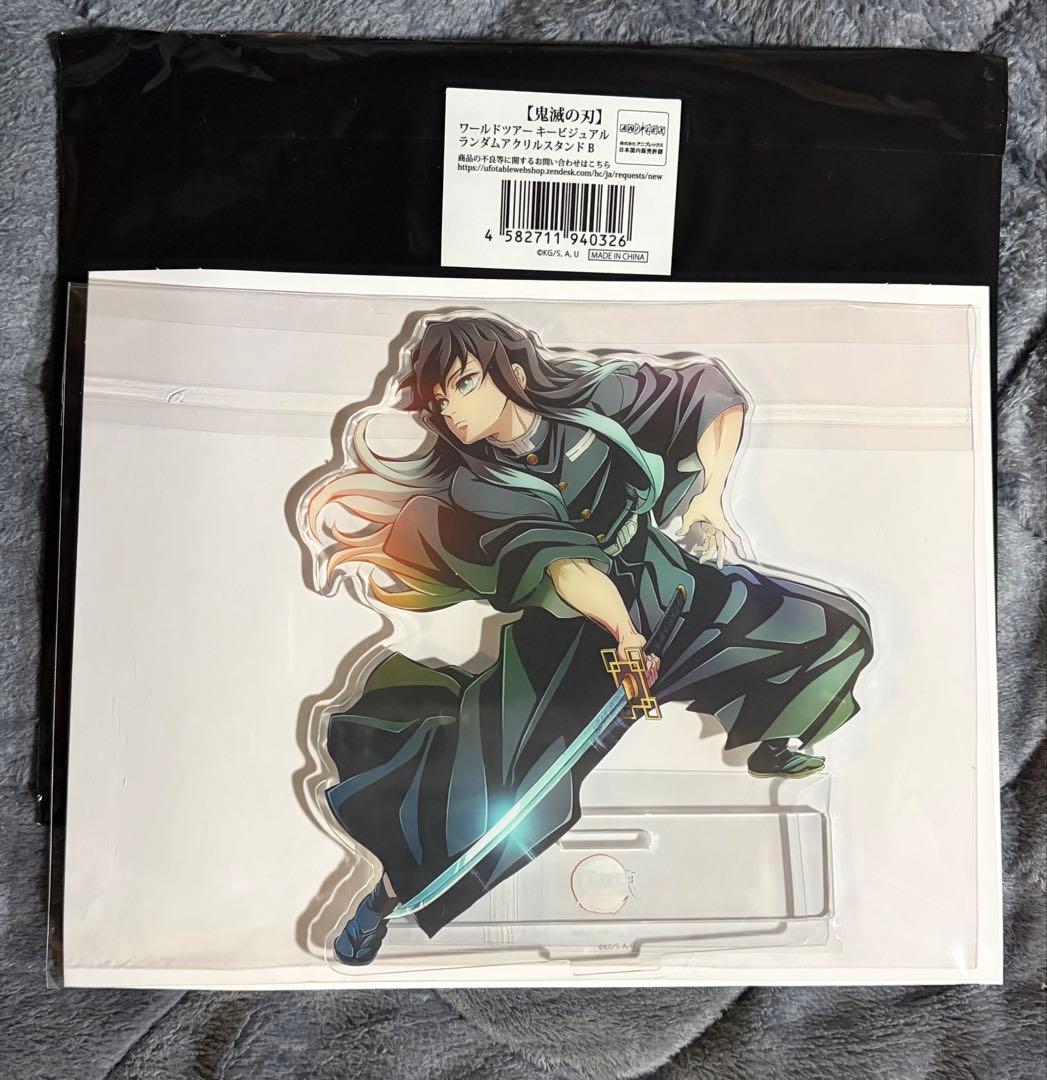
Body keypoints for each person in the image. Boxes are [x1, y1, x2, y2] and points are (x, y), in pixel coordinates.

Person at [304, 312, 872, 965]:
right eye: (438, 401)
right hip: (571, 641)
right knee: (503, 806)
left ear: (511, 373)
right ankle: (382, 900)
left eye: (462, 383)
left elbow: (711, 396)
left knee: (826, 629)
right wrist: (624, 632)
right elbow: (566, 569)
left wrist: (709, 498)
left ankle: (774, 740)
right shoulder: (478, 485)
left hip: (667, 581)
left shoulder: (592, 399)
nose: (450, 410)